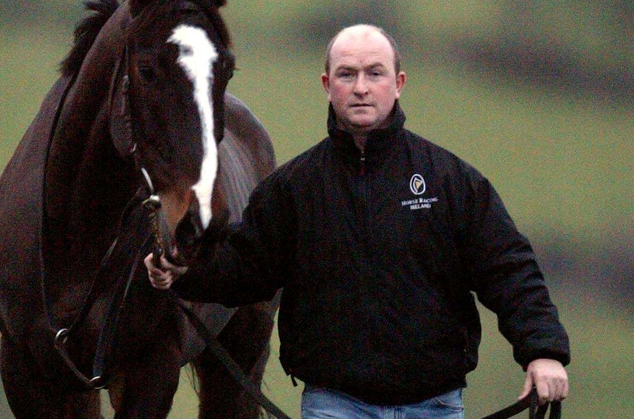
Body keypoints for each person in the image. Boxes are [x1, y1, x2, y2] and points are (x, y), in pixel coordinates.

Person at [145, 24, 570, 418]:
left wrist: (543, 351)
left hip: (435, 406)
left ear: (399, 84)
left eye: (375, 73)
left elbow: (510, 269)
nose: (362, 88)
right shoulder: (293, 188)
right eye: (347, 74)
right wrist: (184, 269)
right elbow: (245, 267)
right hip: (333, 405)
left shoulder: (451, 181)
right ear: (328, 86)